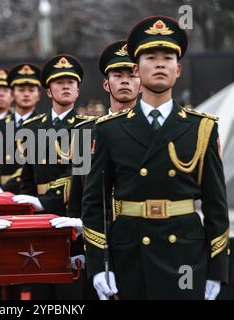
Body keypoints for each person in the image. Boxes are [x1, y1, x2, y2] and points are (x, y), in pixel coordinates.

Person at [82, 16, 229, 300]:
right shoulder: (110, 129)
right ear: (137, 69)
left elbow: (216, 206)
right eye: (151, 56)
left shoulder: (202, 128)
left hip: (185, 253)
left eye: (168, 57)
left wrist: (217, 269)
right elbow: (94, 203)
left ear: (178, 69)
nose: (160, 63)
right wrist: (99, 265)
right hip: (131, 251)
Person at [62, 40, 140, 299]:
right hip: (99, 237)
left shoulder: (153, 131)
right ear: (106, 84)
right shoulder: (85, 133)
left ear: (141, 82)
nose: (125, 81)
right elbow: (79, 190)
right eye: (118, 75)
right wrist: (76, 246)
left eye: (132, 75)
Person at [14, 54, 92, 299]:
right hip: (41, 220)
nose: (66, 86)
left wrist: (47, 201)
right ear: (48, 91)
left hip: (72, 216)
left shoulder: (88, 127)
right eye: (59, 82)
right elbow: (26, 177)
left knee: (70, 289)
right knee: (41, 286)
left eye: (71, 82)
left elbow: (81, 176)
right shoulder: (32, 128)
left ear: (78, 91)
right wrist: (27, 207)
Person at [0, 63, 41, 193]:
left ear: (39, 95)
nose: (26, 94)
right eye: (21, 90)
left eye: (31, 90)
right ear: (12, 94)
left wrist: (4, 189)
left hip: (31, 192)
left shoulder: (43, 126)